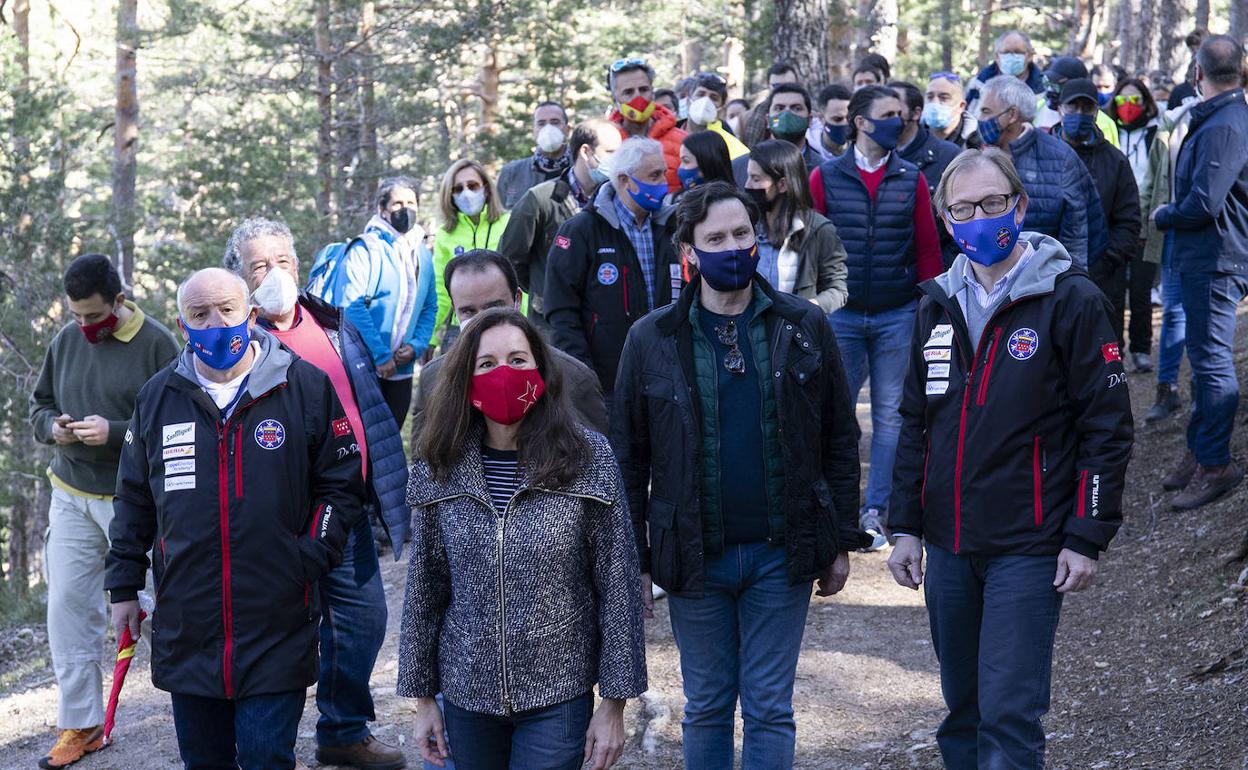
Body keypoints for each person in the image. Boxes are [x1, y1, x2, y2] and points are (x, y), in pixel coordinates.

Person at [887, 147, 1133, 770]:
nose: (980, 218)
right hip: (948, 542)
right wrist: (906, 527)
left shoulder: (1070, 299)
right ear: (944, 218)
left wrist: (1086, 534)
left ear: (1019, 205)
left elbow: (1106, 426)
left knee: (1008, 713)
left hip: (1030, 542)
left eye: (993, 203)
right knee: (961, 709)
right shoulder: (935, 305)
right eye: (963, 208)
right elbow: (916, 423)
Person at [612, 181, 868, 768]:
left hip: (783, 553)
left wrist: (840, 540)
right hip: (693, 557)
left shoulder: (803, 324)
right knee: (705, 705)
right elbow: (628, 457)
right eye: (715, 239)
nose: (732, 247)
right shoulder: (652, 338)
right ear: (690, 253)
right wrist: (636, 558)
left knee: (770, 707)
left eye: (741, 234)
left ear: (758, 239)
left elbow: (838, 437)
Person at [106, 267, 366, 770]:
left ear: (250, 313)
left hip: (277, 618)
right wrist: (122, 587)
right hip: (189, 623)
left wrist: (310, 553)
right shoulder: (158, 398)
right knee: (204, 762)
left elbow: (341, 480)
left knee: (267, 756)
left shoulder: (303, 386)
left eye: (227, 309)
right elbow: (134, 498)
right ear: (183, 325)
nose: (216, 323)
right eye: (200, 314)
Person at [399, 308, 646, 770]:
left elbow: (618, 585)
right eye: (487, 365)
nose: (504, 375)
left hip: (559, 690)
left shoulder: (588, 456)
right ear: (465, 380)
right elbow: (425, 588)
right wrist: (422, 698)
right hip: (466, 692)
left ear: (541, 370)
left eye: (518, 360)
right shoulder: (441, 463)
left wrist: (615, 701)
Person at [224, 218, 409, 770]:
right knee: (277, 636)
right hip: (277, 521)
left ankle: (343, 730)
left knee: (363, 622)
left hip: (345, 508)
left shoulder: (333, 324)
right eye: (259, 266)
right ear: (240, 277)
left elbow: (369, 406)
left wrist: (383, 482)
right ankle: (262, 748)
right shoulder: (236, 344)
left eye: (282, 261)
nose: (274, 274)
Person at [28, 254, 178, 770]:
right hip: (70, 492)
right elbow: (38, 407)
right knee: (68, 606)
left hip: (133, 501)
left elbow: (178, 422)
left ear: (118, 300)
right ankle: (82, 724)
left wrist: (114, 431)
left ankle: (201, 713)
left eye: (93, 315)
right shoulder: (66, 340)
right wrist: (55, 428)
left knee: (170, 606)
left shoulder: (156, 343)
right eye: (75, 315)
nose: (83, 326)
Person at [810, 84, 944, 550]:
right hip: (841, 315)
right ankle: (838, 506)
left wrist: (930, 306)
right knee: (837, 413)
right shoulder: (824, 178)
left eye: (902, 114)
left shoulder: (912, 178)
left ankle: (877, 509)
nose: (900, 121)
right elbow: (812, 249)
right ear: (861, 122)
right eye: (889, 114)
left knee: (891, 415)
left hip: (897, 313)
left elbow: (928, 249)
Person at [1153, 35, 1248, 510]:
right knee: (1201, 357)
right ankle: (1198, 449)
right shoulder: (1216, 117)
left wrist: (1165, 214)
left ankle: (1216, 464)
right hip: (1203, 257)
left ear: (1197, 73)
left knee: (1212, 362)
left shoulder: (1226, 123)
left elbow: (1204, 203)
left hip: (1216, 258)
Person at [544, 137, 684, 397]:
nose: (662, 184)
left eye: (663, 174)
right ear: (623, 180)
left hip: (665, 376)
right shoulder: (581, 230)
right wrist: (582, 375)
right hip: (606, 382)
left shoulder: (671, 227)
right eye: (653, 176)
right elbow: (562, 311)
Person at [413, 250, 608, 434]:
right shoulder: (434, 379)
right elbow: (424, 459)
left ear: (517, 300)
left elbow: (596, 460)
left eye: (494, 308)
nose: (483, 321)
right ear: (455, 310)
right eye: (469, 311)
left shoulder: (573, 378)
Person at [335, 175, 439, 429]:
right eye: (397, 204)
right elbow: (351, 306)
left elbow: (429, 306)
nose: (406, 209)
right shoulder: (366, 249)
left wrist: (416, 346)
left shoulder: (421, 253)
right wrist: (381, 357)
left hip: (401, 371)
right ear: (382, 209)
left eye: (411, 203)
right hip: (364, 368)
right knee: (362, 442)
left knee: (391, 440)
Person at [498, 119, 622, 330]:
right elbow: (509, 258)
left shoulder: (618, 201)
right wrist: (544, 290)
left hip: (605, 325)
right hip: (551, 327)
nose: (619, 161)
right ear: (586, 152)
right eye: (611, 152)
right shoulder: (540, 200)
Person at [975, 74, 1104, 268]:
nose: (980, 118)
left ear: (1012, 115)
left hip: (1044, 280)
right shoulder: (972, 153)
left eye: (986, 111)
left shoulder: (1060, 158)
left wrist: (1070, 283)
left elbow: (1078, 235)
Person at [1053, 79, 1142, 355]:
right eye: (1073, 106)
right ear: (1059, 109)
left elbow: (1129, 221)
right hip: (1047, 278)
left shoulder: (1115, 161)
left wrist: (1106, 261)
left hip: (1102, 278)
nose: (1079, 113)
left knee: (1102, 356)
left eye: (1087, 107)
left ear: (1096, 112)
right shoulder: (1041, 154)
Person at [1142, 84, 1200, 424]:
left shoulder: (1235, 118)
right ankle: (1167, 388)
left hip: (1217, 233)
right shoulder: (1174, 118)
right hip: (1174, 226)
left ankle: (1205, 390)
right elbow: (1154, 175)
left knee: (1207, 314)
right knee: (1174, 311)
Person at [745, 139, 849, 312]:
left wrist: (808, 307)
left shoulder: (818, 230)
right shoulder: (747, 227)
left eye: (756, 179)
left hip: (797, 332)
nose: (747, 185)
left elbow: (838, 290)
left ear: (782, 185)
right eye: (748, 177)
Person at [1109, 78, 1164, 372]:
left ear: (1145, 103)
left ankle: (1142, 349)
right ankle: (1113, 350)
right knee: (1114, 292)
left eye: (1134, 101)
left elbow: (1157, 179)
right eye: (1122, 101)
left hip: (1145, 223)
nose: (1127, 107)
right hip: (1114, 225)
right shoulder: (1108, 131)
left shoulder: (1155, 135)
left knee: (1141, 292)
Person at [431, 159, 511, 349]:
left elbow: (521, 283)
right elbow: (441, 291)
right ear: (450, 195)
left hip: (505, 322)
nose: (466, 193)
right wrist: (432, 337)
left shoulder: (508, 223)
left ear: (486, 188)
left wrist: (520, 321)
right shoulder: (445, 233)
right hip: (462, 328)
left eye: (473, 185)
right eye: (458, 189)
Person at [892, 80, 962, 267]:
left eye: (896, 109)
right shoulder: (877, 154)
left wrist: (940, 272)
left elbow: (962, 222)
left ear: (915, 113)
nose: (889, 115)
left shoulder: (950, 156)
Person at [607, 57, 687, 191]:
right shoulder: (606, 143)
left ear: (652, 92)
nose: (638, 98)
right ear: (615, 98)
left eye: (643, 90)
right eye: (628, 92)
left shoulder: (682, 141)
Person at [496, 101, 572, 209]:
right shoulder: (511, 173)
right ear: (533, 131)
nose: (548, 129)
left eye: (555, 122)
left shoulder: (581, 171)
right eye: (541, 123)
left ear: (567, 130)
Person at [1036, 57, 1121, 147]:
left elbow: (1109, 157)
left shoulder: (1104, 123)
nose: (1050, 90)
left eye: (1056, 86)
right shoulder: (1037, 108)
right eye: (1048, 84)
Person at [964, 30, 1046, 115]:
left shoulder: (1043, 89)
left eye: (1017, 52)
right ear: (997, 57)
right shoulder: (977, 84)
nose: (1011, 57)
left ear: (1029, 56)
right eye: (1006, 52)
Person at [683, 71, 750, 159]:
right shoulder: (668, 133)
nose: (705, 101)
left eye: (713, 98)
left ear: (721, 110)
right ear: (688, 101)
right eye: (701, 94)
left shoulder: (733, 148)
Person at [923, 72, 978, 147]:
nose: (935, 103)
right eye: (930, 97)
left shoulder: (976, 141)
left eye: (944, 98)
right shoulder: (912, 137)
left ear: (961, 106)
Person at [815, 83, 852, 159]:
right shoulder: (809, 153)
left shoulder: (863, 151)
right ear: (821, 118)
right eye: (838, 119)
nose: (845, 123)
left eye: (849, 118)